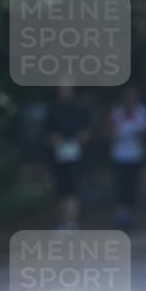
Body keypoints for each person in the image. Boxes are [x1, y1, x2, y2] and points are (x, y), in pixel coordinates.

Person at [44, 83, 93, 230]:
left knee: (72, 187)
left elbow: (88, 129)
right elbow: (46, 132)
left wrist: (80, 140)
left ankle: (71, 222)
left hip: (75, 153)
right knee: (60, 188)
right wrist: (55, 140)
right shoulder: (52, 110)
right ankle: (62, 221)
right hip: (57, 154)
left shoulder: (79, 109)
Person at [108, 86, 146, 230]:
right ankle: (121, 216)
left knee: (132, 186)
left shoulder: (141, 112)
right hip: (119, 155)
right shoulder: (117, 113)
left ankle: (130, 216)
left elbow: (145, 132)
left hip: (135, 155)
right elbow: (110, 132)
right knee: (121, 186)